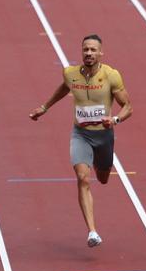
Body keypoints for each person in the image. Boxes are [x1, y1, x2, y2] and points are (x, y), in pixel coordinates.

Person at [29, 34, 132, 247]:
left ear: (101, 53)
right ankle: (92, 232)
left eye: (93, 50)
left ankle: (98, 163)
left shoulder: (111, 76)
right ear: (81, 51)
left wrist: (114, 119)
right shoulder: (70, 73)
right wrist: (44, 107)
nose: (89, 53)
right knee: (83, 178)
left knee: (102, 178)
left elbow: (128, 107)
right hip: (81, 134)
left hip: (103, 136)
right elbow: (64, 88)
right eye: (86, 49)